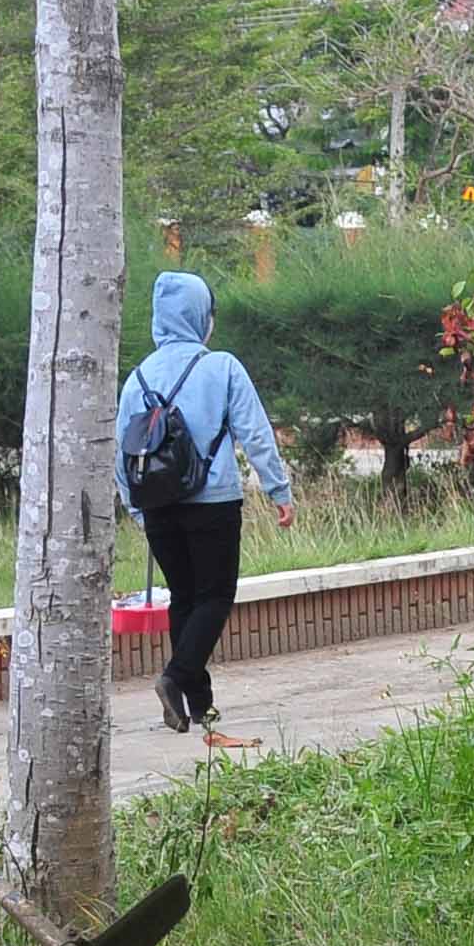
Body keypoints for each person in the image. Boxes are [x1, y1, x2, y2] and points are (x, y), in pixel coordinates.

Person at [119, 267, 295, 738]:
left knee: (186, 598)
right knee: (215, 597)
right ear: (200, 316)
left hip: (157, 504)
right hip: (211, 502)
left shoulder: (136, 377)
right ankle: (175, 678)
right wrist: (278, 490)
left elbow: (121, 449)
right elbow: (255, 433)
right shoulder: (221, 367)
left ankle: (200, 707)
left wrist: (136, 509)